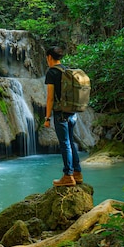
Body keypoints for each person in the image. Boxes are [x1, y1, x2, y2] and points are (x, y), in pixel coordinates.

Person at [43, 46, 82, 186]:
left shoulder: (52, 73)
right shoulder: (67, 71)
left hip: (61, 114)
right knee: (70, 142)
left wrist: (47, 118)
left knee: (65, 144)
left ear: (49, 57)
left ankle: (68, 175)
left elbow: (50, 98)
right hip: (72, 114)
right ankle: (77, 173)